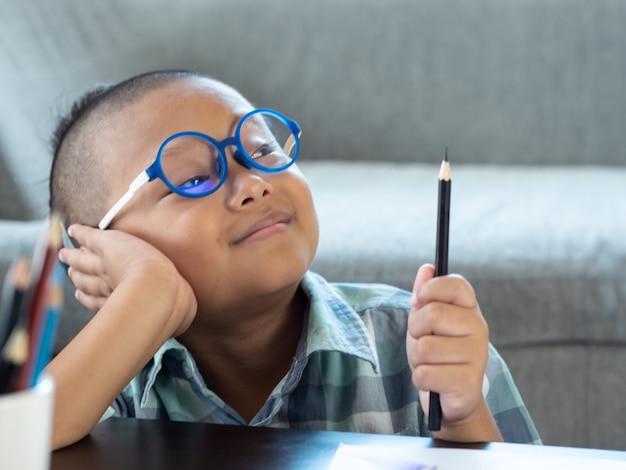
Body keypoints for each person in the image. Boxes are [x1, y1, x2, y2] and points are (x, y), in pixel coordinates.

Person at [47, 69, 540, 450]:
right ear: (98, 251)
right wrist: (149, 290)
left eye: (261, 149)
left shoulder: (425, 343)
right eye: (193, 178)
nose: (255, 183)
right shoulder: (101, 389)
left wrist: (462, 418)